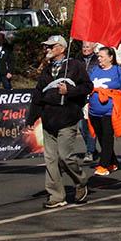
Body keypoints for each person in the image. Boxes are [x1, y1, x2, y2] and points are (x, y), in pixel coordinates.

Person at [29, 34, 93, 208]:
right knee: (50, 159)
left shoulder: (75, 66)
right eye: (46, 47)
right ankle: (56, 195)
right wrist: (32, 117)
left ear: (62, 48)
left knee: (65, 156)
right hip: (49, 118)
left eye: (51, 46)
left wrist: (70, 91)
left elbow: (88, 87)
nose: (47, 50)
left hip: (67, 117)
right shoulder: (47, 69)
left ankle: (80, 181)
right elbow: (38, 94)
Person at [88, 46, 121, 176]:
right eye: (98, 56)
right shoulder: (95, 70)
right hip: (94, 111)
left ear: (110, 57)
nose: (99, 59)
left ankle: (103, 165)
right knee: (101, 137)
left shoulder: (118, 71)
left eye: (102, 56)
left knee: (107, 137)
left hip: (110, 111)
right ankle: (112, 162)